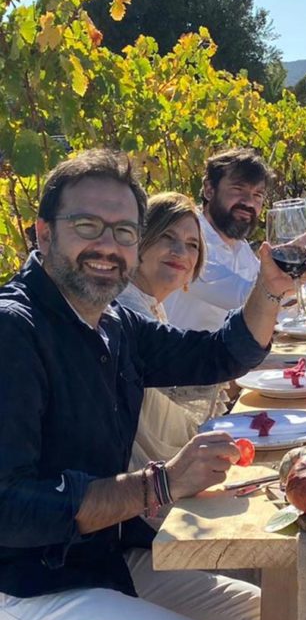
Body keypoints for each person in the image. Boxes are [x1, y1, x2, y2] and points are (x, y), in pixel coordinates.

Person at [0, 150, 306, 620]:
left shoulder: (111, 324)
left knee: (254, 617)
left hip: (89, 565)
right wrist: (158, 486)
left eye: (121, 230)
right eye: (88, 225)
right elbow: (8, 507)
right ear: (42, 234)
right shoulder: (12, 333)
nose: (107, 245)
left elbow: (217, 355)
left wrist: (269, 288)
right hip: (18, 592)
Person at [165, 146, 306, 331]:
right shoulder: (191, 243)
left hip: (223, 366)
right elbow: (247, 300)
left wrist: (290, 269)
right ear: (209, 190)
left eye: (257, 195)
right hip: (188, 376)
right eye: (237, 189)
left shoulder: (238, 246)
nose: (248, 202)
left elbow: (278, 301)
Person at [117, 191, 221, 466]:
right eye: (167, 237)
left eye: (192, 245)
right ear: (139, 242)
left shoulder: (150, 303)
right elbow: (168, 403)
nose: (181, 252)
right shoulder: (124, 308)